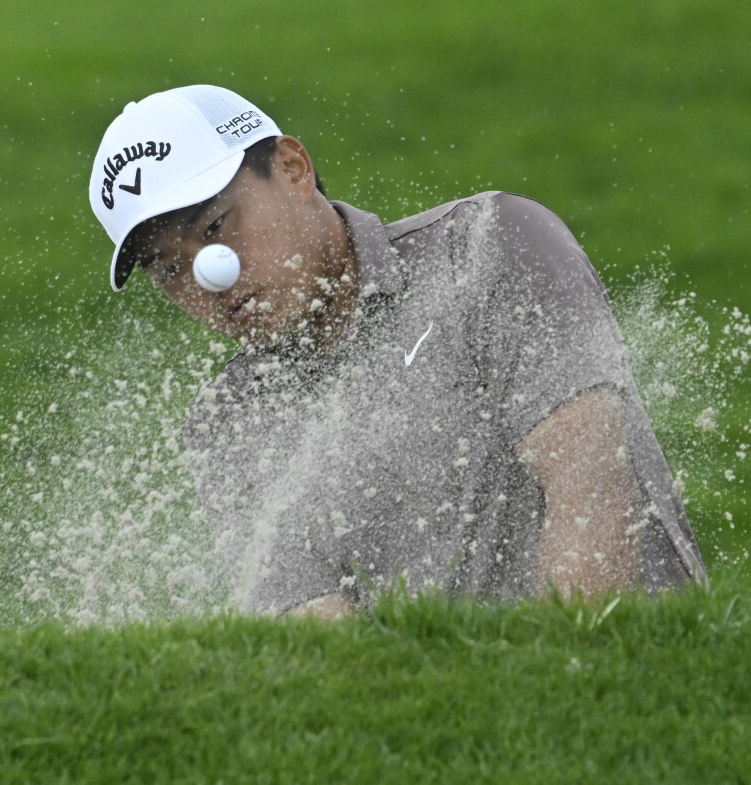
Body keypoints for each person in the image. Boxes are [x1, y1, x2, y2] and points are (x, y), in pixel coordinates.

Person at [87, 85, 707, 618]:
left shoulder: (489, 248)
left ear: (294, 169)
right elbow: (319, 643)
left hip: (618, 707)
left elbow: (591, 490)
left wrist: (540, 699)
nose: (208, 279)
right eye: (170, 269)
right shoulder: (230, 424)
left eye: (218, 228)